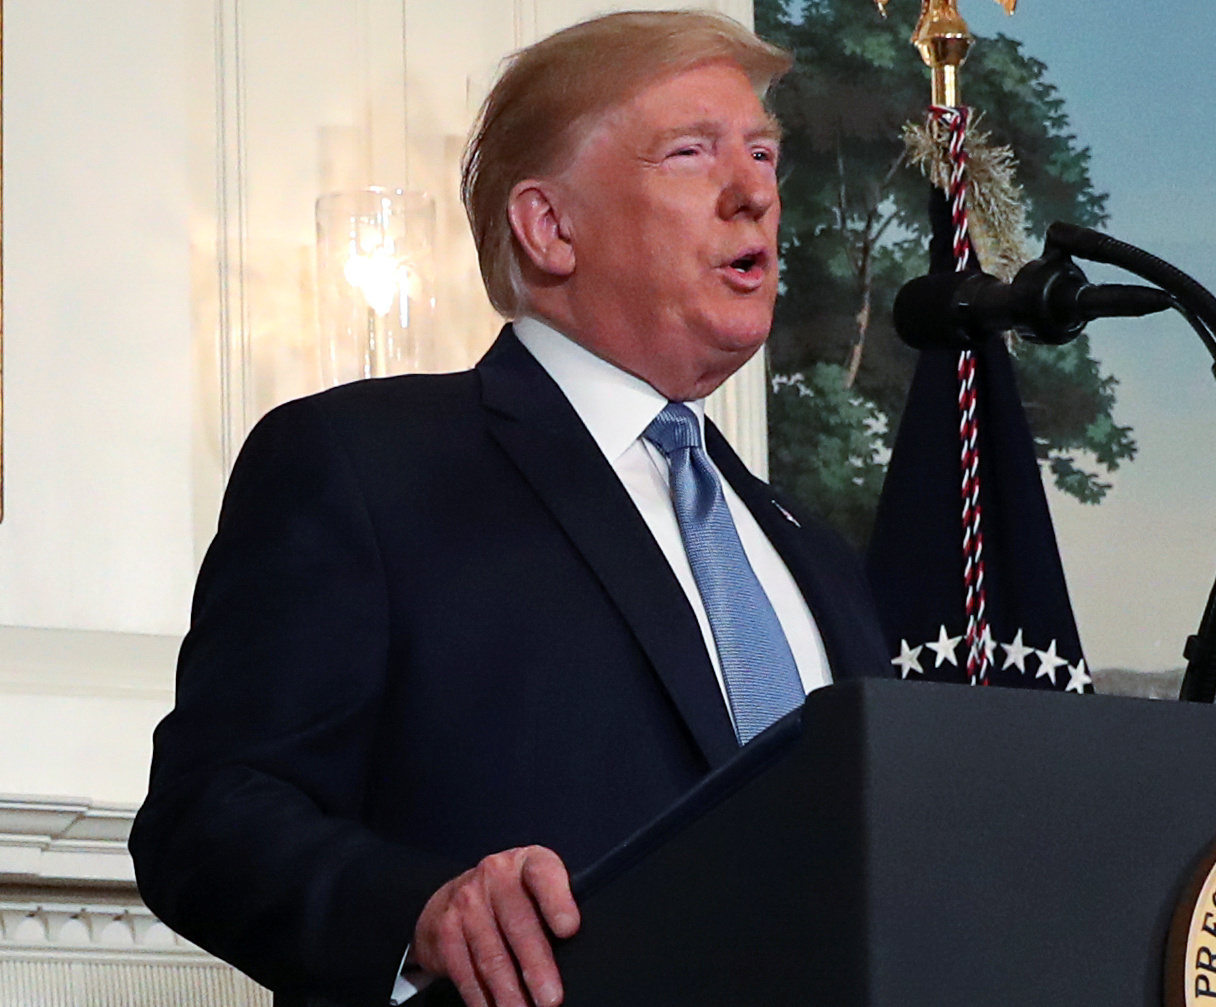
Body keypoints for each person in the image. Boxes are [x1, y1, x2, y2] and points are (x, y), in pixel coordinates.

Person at [129, 10, 893, 1007]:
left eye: (762, 154)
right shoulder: (366, 467)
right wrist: (422, 910)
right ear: (550, 225)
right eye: (691, 153)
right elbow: (207, 815)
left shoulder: (816, 557)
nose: (754, 192)